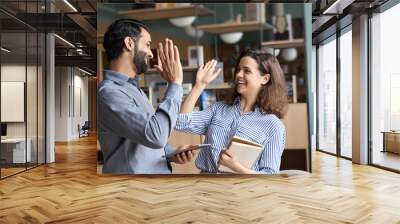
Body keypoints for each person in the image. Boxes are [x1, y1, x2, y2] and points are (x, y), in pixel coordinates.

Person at [98, 19, 195, 174]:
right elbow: (156, 136)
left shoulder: (135, 90)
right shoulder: (109, 94)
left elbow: (144, 138)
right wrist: (175, 83)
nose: (151, 53)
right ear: (129, 43)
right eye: (148, 44)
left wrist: (171, 153)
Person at [175, 49, 288, 174]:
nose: (239, 74)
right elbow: (181, 122)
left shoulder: (274, 126)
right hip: (205, 186)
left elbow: (270, 176)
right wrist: (199, 85)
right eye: (238, 70)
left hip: (242, 191)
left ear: (265, 79)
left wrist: (237, 168)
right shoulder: (218, 109)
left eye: (247, 71)